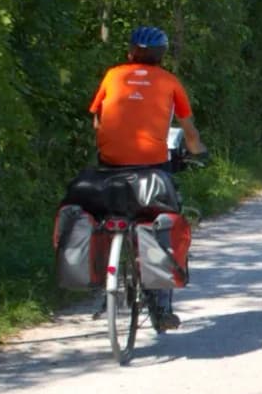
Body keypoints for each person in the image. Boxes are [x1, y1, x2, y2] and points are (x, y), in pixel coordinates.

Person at [88, 25, 206, 330]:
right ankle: (162, 305)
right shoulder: (169, 81)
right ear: (161, 56)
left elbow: (97, 120)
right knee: (164, 219)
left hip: (110, 164)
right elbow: (189, 131)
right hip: (152, 166)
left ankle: (103, 271)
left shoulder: (113, 76)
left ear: (130, 53)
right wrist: (199, 152)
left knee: (106, 212)